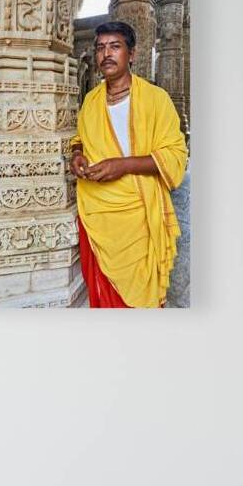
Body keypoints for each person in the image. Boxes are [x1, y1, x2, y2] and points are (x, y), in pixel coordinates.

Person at [70, 21, 187, 308]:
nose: (105, 54)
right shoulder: (91, 100)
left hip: (138, 211)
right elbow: (79, 138)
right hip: (97, 208)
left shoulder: (156, 99)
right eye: (100, 48)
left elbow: (175, 154)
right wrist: (77, 154)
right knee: (102, 292)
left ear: (132, 54)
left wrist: (122, 166)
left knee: (140, 296)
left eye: (115, 46)